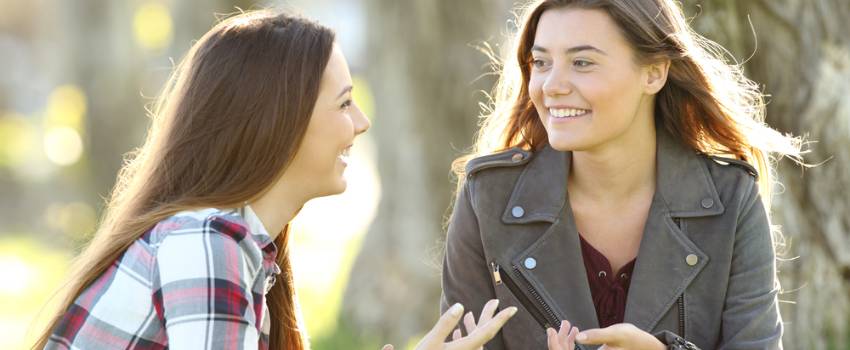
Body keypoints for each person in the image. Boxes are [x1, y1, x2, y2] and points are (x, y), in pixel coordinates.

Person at [34, 10, 516, 350]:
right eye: (345, 102)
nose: (362, 122)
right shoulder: (206, 243)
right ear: (280, 123)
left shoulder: (240, 249)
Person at [441, 0, 804, 349]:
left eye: (582, 62)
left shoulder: (731, 199)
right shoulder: (487, 197)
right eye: (540, 62)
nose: (551, 85)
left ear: (654, 72)